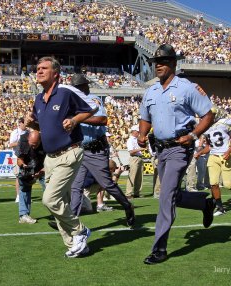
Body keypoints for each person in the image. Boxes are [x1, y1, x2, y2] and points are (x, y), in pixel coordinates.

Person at [138, 44, 215, 265]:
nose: (159, 66)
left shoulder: (187, 88)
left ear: (173, 64)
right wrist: (143, 134)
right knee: (171, 195)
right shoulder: (150, 91)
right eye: (156, 63)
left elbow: (208, 115)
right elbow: (145, 117)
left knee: (165, 196)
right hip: (160, 149)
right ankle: (203, 203)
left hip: (180, 147)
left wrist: (192, 135)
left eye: (163, 62)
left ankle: (159, 248)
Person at [25, 56, 97, 258]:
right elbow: (44, 128)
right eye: (37, 68)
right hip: (50, 158)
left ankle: (80, 230)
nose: (38, 71)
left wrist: (74, 120)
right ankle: (76, 244)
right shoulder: (39, 99)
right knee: (61, 203)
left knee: (50, 199)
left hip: (69, 153)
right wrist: (32, 125)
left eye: (44, 68)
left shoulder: (65, 92)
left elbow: (93, 108)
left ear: (55, 73)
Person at [68, 73, 135, 225]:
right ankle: (70, 220)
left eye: (78, 87)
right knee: (76, 186)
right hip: (80, 149)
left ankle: (127, 205)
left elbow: (102, 120)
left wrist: (77, 118)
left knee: (106, 184)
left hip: (95, 149)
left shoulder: (93, 99)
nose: (77, 90)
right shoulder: (72, 102)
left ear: (85, 87)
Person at [202, 106, 231, 216]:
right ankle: (220, 207)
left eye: (210, 115)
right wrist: (199, 153)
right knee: (213, 183)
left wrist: (229, 151)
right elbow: (209, 146)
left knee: (227, 184)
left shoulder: (225, 123)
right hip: (213, 157)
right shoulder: (206, 127)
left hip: (225, 155)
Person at [15, 130, 46, 224]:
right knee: (24, 190)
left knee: (50, 190)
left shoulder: (47, 140)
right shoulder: (23, 141)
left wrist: (42, 171)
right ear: (28, 139)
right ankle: (23, 215)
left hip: (43, 167)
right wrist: (23, 165)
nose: (33, 147)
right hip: (27, 167)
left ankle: (58, 214)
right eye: (31, 144)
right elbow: (19, 159)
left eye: (35, 144)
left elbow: (52, 160)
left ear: (40, 140)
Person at [9, 117, 28, 203]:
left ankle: (26, 195)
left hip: (26, 157)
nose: (26, 125)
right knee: (18, 176)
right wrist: (21, 142)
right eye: (25, 123)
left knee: (26, 176)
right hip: (16, 157)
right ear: (20, 123)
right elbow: (11, 144)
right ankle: (18, 196)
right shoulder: (15, 132)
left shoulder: (28, 132)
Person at [126, 125, 144, 199]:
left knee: (139, 177)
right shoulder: (130, 140)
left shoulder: (136, 139)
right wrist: (140, 149)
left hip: (139, 158)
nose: (139, 133)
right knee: (132, 176)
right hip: (134, 158)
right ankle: (128, 193)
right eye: (138, 132)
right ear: (134, 132)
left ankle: (137, 193)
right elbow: (131, 152)